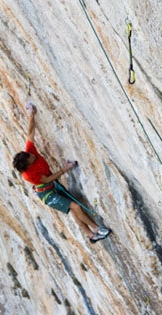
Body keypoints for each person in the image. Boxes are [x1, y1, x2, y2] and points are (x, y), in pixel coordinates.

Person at [12, 103, 111, 243]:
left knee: (74, 210)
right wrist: (65, 169)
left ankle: (91, 235)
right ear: (27, 164)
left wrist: (32, 114)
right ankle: (97, 229)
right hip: (47, 194)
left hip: (52, 186)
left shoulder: (29, 152)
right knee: (75, 206)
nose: (33, 155)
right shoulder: (28, 175)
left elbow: (30, 133)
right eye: (31, 158)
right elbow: (47, 179)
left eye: (31, 155)